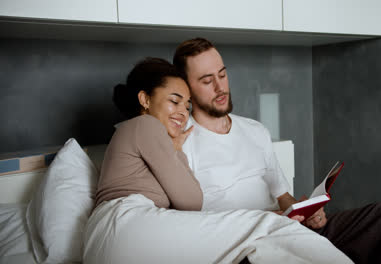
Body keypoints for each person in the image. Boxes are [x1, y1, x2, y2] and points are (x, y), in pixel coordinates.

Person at [173, 38, 381, 264]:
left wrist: (304, 211)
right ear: (187, 87)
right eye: (207, 81)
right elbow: (189, 226)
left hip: (292, 228)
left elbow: (282, 196)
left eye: (222, 74)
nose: (221, 87)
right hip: (253, 245)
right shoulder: (181, 143)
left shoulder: (255, 130)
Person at [83, 58, 353, 264]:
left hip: (105, 241)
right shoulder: (146, 126)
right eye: (174, 102)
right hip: (125, 225)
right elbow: (190, 200)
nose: (182, 113)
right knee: (269, 224)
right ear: (144, 99)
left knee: (262, 245)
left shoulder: (135, 133)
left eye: (187, 105)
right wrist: (176, 150)